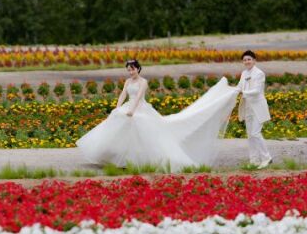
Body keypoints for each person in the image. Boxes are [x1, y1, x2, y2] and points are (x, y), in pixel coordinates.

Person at [76, 59, 240, 172]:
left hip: (139, 107)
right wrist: (117, 108)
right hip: (128, 106)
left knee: (142, 129)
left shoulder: (143, 82)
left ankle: (139, 161)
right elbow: (122, 95)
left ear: (138, 69)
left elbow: (139, 96)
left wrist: (132, 110)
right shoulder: (127, 81)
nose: (130, 71)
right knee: (118, 128)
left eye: (132, 69)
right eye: (128, 69)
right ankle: (117, 158)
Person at [235, 50, 272, 169]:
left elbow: (257, 90)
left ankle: (266, 158)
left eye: (249, 59)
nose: (247, 62)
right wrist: (232, 91)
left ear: (254, 60)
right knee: (250, 135)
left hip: (257, 107)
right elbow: (239, 86)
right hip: (247, 107)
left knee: (256, 133)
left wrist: (243, 92)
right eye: (245, 60)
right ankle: (254, 160)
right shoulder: (244, 73)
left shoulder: (259, 73)